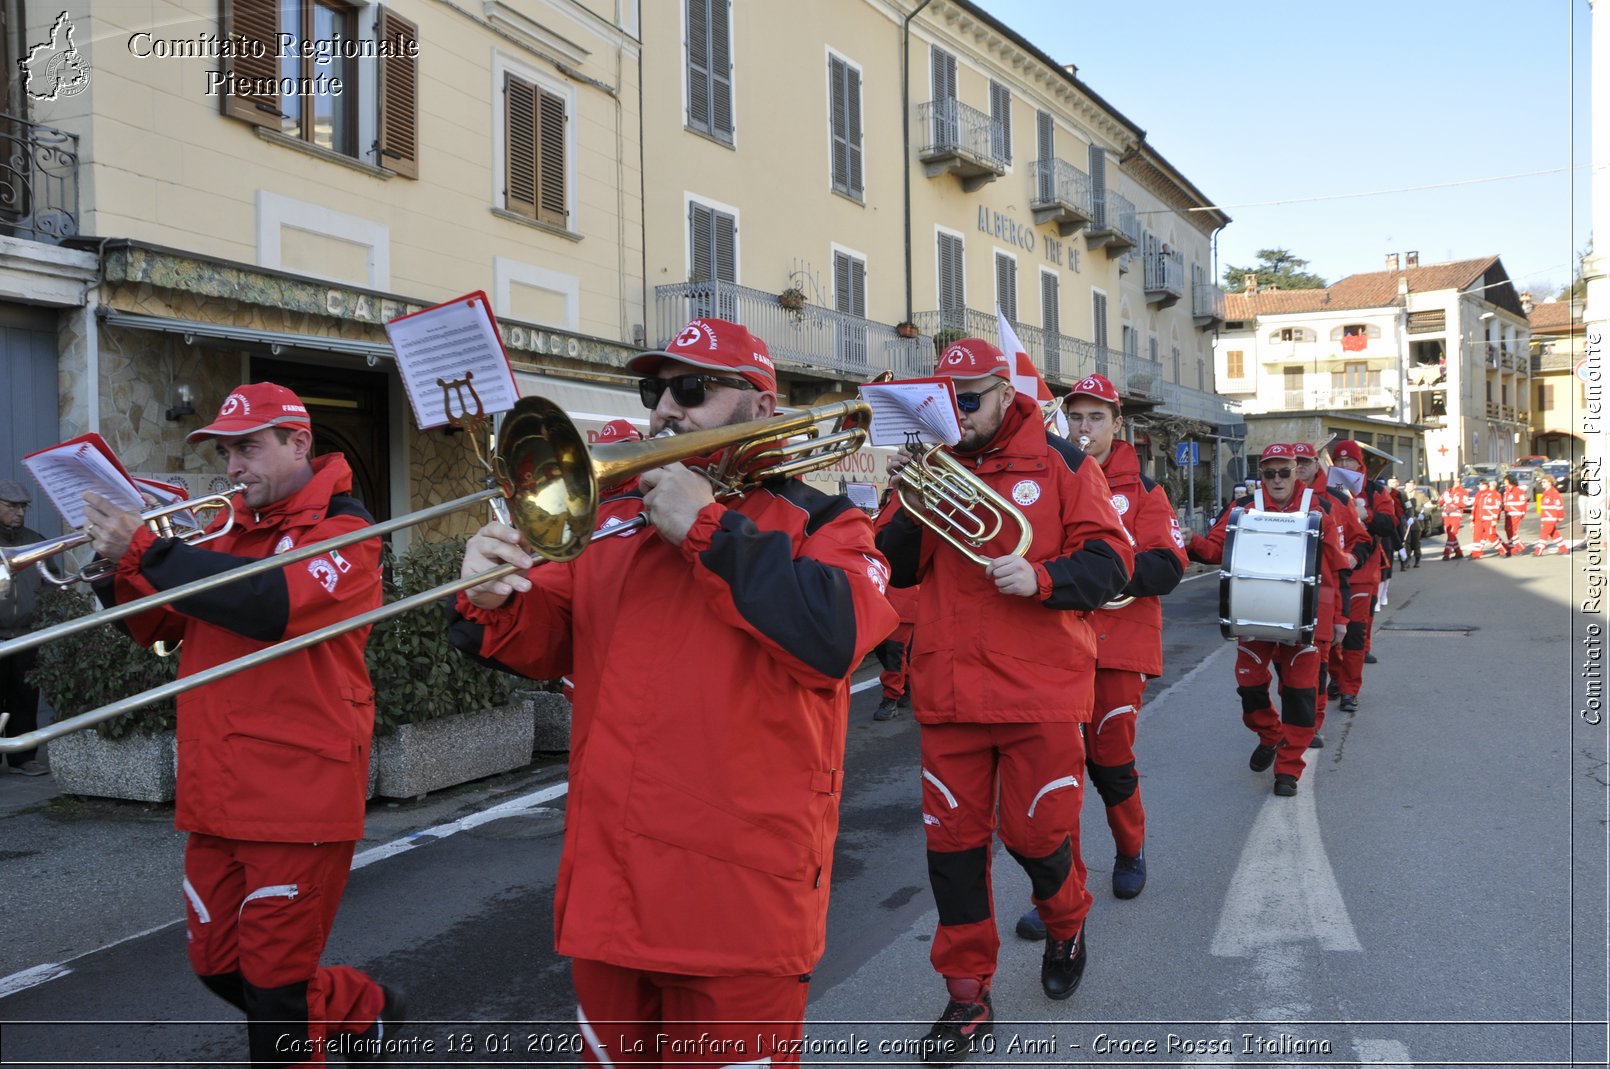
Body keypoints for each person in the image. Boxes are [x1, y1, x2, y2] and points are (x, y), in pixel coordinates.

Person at [446, 318, 898, 1066]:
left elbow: (836, 632)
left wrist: (707, 528)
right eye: (655, 390)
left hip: (739, 918)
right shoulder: (613, 525)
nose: (664, 411)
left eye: (692, 389)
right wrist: (491, 595)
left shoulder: (825, 521)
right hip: (610, 906)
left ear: (762, 404)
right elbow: (545, 638)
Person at [80, 383, 399, 1066]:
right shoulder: (224, 527)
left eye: (248, 447)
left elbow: (269, 603)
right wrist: (116, 570)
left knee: (275, 1000)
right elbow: (158, 627)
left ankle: (343, 1012)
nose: (233, 467)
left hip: (298, 794)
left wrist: (153, 551)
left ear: (299, 442)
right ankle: (355, 1006)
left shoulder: (348, 531)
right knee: (218, 964)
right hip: (216, 790)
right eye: (226, 452)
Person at [875, 340, 1134, 1063]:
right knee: (951, 855)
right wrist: (903, 501)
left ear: (1004, 393)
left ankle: (1067, 921)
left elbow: (1113, 560)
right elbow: (890, 565)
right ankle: (966, 993)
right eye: (944, 402)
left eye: (968, 399)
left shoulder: (1064, 463)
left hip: (1039, 694)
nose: (955, 415)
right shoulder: (936, 466)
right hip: (951, 695)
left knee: (1037, 838)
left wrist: (1042, 578)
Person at [1185, 444, 1349, 796]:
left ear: (1297, 470)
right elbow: (1216, 549)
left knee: (1301, 696)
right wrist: (1189, 541)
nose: (1276, 480)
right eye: (1268, 472)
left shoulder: (1320, 508)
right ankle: (1271, 734)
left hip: (1306, 618)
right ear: (1261, 475)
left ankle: (1288, 770)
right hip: (1254, 613)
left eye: (1284, 472)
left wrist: (1340, 618)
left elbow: (1338, 565)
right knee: (1250, 689)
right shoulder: (1244, 506)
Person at [0, 479, 49, 775]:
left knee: (25, 698)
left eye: (23, 507)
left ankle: (22, 757)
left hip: (27, 634)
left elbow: (51, 580)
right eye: (11, 506)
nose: (19, 513)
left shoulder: (36, 540)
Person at [873, 490, 918, 721]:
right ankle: (905, 687)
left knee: (895, 651)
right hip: (885, 592)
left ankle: (891, 698)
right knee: (886, 648)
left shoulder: (909, 499)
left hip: (903, 595)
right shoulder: (893, 498)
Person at [1470, 479, 1503, 559]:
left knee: (1491, 535)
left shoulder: (1492, 494)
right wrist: (1472, 520)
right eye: (1479, 485)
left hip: (1488, 519)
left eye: (1481, 485)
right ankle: (1476, 554)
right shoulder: (1478, 494)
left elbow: (1496, 508)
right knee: (1477, 536)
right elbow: (1474, 507)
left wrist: (1494, 520)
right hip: (1478, 519)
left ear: (1486, 485)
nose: (1479, 486)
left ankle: (1502, 550)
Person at [1535, 475, 1568, 554]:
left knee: (1544, 534)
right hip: (1546, 517)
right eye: (1542, 482)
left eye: (1544, 482)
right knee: (1554, 534)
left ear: (1550, 483)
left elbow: (1559, 506)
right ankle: (1563, 549)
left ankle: (1538, 551)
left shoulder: (1553, 493)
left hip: (1551, 517)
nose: (1542, 483)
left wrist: (1560, 517)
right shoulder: (1545, 493)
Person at [1439, 480, 1470, 559]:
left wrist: (1452, 501)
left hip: (1456, 514)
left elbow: (1464, 503)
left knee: (1452, 533)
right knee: (1450, 534)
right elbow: (1440, 502)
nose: (1457, 483)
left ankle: (1446, 553)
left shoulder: (1463, 492)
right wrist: (1441, 500)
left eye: (1458, 481)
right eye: (1455, 481)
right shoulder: (1447, 491)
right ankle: (1458, 552)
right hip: (1446, 515)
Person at [1501, 474, 1530, 556]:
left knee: (1513, 532)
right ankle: (1512, 548)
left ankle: (1521, 547)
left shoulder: (1518, 491)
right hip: (1508, 514)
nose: (1504, 482)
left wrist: (1522, 513)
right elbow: (1506, 503)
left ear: (1509, 481)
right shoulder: (1506, 491)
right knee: (1507, 530)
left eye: (1505, 480)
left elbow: (1523, 503)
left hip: (1515, 514)